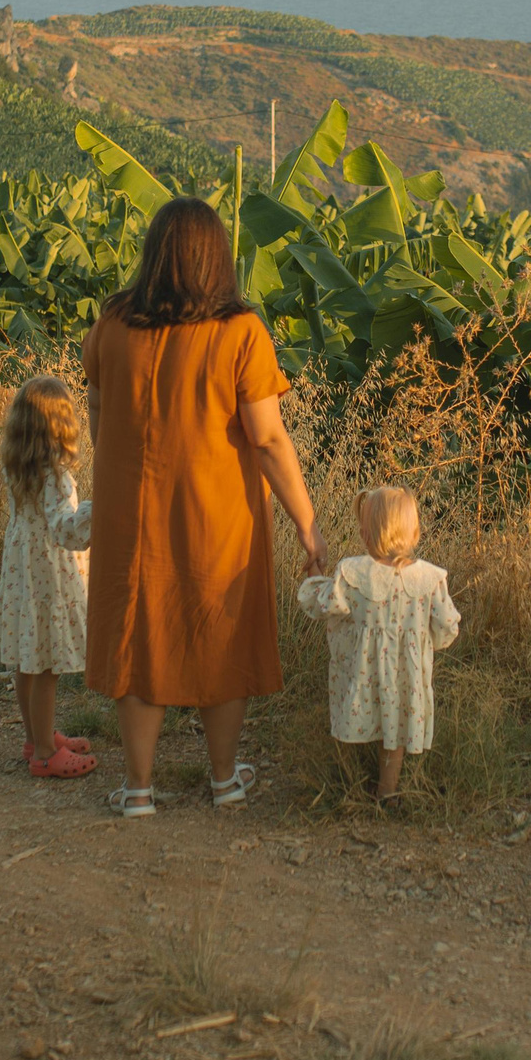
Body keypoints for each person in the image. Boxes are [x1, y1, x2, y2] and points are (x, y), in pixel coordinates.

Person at [83, 196, 327, 818]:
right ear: (217, 256)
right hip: (217, 514)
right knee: (220, 635)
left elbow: (98, 411)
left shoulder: (113, 322)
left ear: (155, 253)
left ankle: (137, 789)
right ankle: (224, 781)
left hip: (129, 512)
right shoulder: (240, 331)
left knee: (140, 635)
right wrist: (308, 525)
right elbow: (268, 439)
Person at [295, 485, 460, 803]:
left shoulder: (354, 573)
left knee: (364, 716)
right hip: (405, 681)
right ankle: (388, 790)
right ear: (414, 531)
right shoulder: (430, 579)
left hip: (364, 674)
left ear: (367, 534)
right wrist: (424, 644)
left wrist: (315, 571)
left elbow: (323, 603)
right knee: (394, 731)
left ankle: (347, 776)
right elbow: (447, 625)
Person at [0, 375, 97, 778]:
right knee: (47, 665)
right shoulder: (55, 476)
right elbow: (65, 530)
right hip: (48, 580)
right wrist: (94, 508)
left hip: (23, 578)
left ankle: (36, 738)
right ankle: (46, 754)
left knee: (26, 661)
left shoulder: (16, 467)